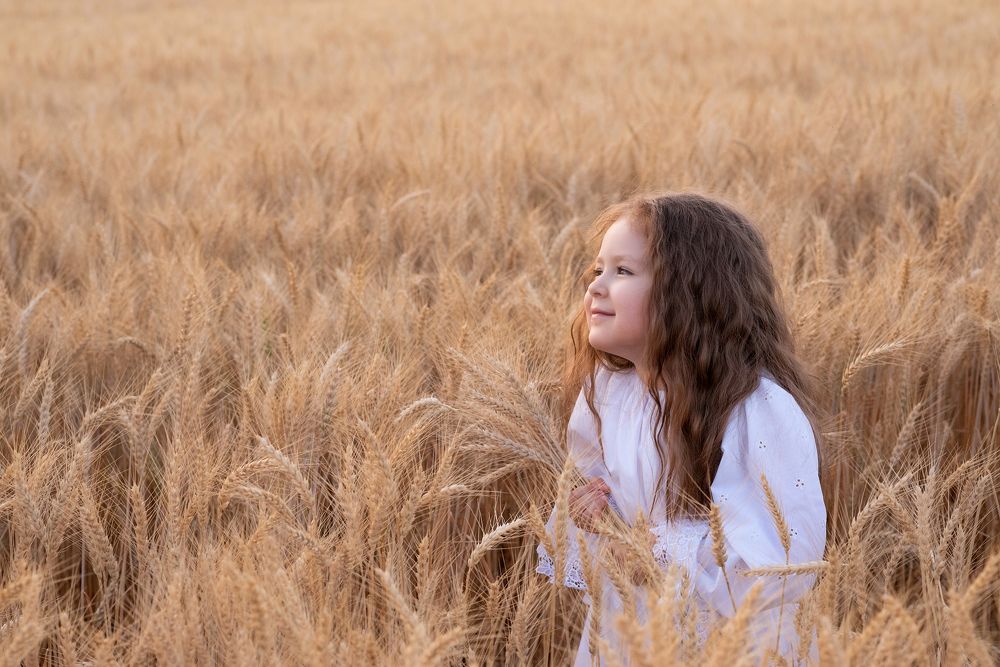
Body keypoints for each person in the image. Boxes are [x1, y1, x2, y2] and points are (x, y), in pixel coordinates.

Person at [534, 192, 827, 665]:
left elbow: (782, 561)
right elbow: (605, 503)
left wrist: (659, 551)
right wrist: (594, 515)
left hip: (721, 641)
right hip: (633, 627)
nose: (596, 287)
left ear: (689, 292)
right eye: (597, 270)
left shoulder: (756, 409)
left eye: (623, 272)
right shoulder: (609, 394)